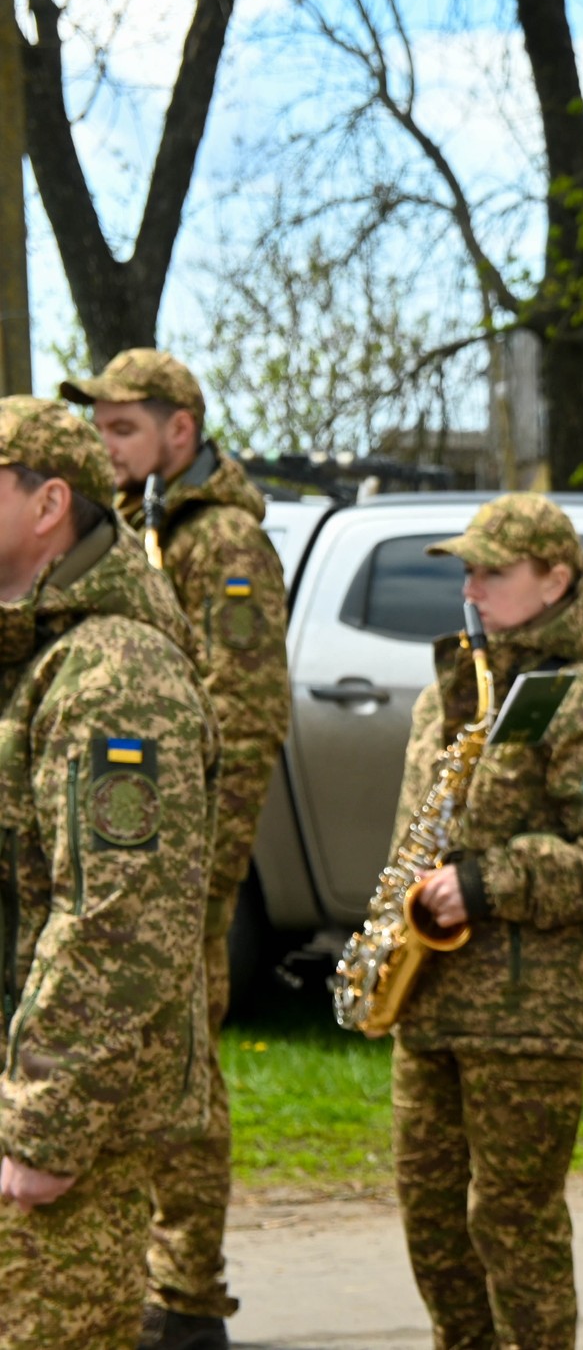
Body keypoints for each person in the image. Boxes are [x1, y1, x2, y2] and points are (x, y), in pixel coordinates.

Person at [388, 493, 583, 1350]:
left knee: (511, 1224)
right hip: (429, 1001)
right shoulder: (453, 690)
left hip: (527, 1019)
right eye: (465, 569)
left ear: (553, 579)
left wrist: (489, 881)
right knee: (431, 1223)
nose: (470, 587)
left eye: (490, 570)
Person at [60, 348, 290, 1349]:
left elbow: (245, 717)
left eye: (121, 427)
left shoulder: (222, 537)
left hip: (186, 857)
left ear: (179, 433)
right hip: (147, 847)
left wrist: (201, 869)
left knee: (184, 1057)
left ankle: (189, 1289)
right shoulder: (152, 522)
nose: (103, 444)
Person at [0, 398, 216, 1349]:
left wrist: (45, 1124)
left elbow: (120, 922)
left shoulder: (115, 669)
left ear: (49, 503)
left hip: (69, 1123)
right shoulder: (34, 644)